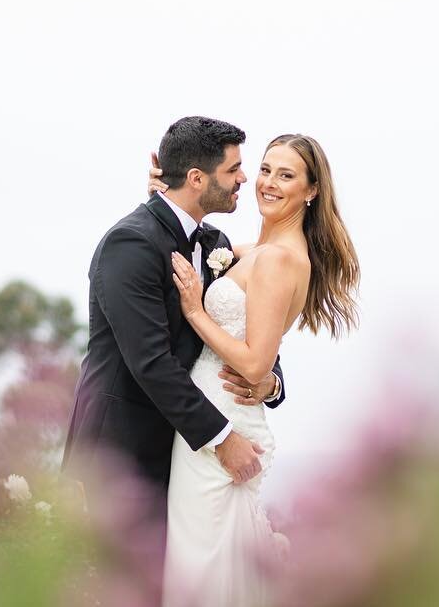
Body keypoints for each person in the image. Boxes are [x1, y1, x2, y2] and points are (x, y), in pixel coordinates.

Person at [61, 117, 286, 562]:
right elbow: (150, 362)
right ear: (197, 178)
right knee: (126, 583)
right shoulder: (129, 244)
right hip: (123, 455)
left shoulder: (216, 243)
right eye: (234, 169)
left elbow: (240, 325)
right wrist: (223, 439)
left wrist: (270, 381)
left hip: (185, 454)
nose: (244, 179)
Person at [157, 131, 361, 607]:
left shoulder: (280, 260)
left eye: (286, 175)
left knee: (203, 566)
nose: (268, 183)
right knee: (205, 558)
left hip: (220, 424)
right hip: (214, 414)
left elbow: (254, 363)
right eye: (266, 170)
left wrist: (196, 313)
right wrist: (165, 192)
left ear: (311, 190)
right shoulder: (257, 252)